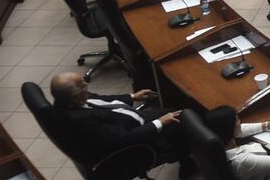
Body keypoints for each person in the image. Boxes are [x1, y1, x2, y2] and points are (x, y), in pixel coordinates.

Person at [49, 72, 192, 174]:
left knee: (172, 111)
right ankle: (184, 163)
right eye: (82, 85)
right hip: (130, 144)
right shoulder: (82, 121)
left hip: (127, 121)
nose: (86, 85)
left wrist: (132, 97)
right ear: (74, 96)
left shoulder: (70, 100)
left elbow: (102, 100)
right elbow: (126, 138)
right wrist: (160, 122)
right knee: (179, 120)